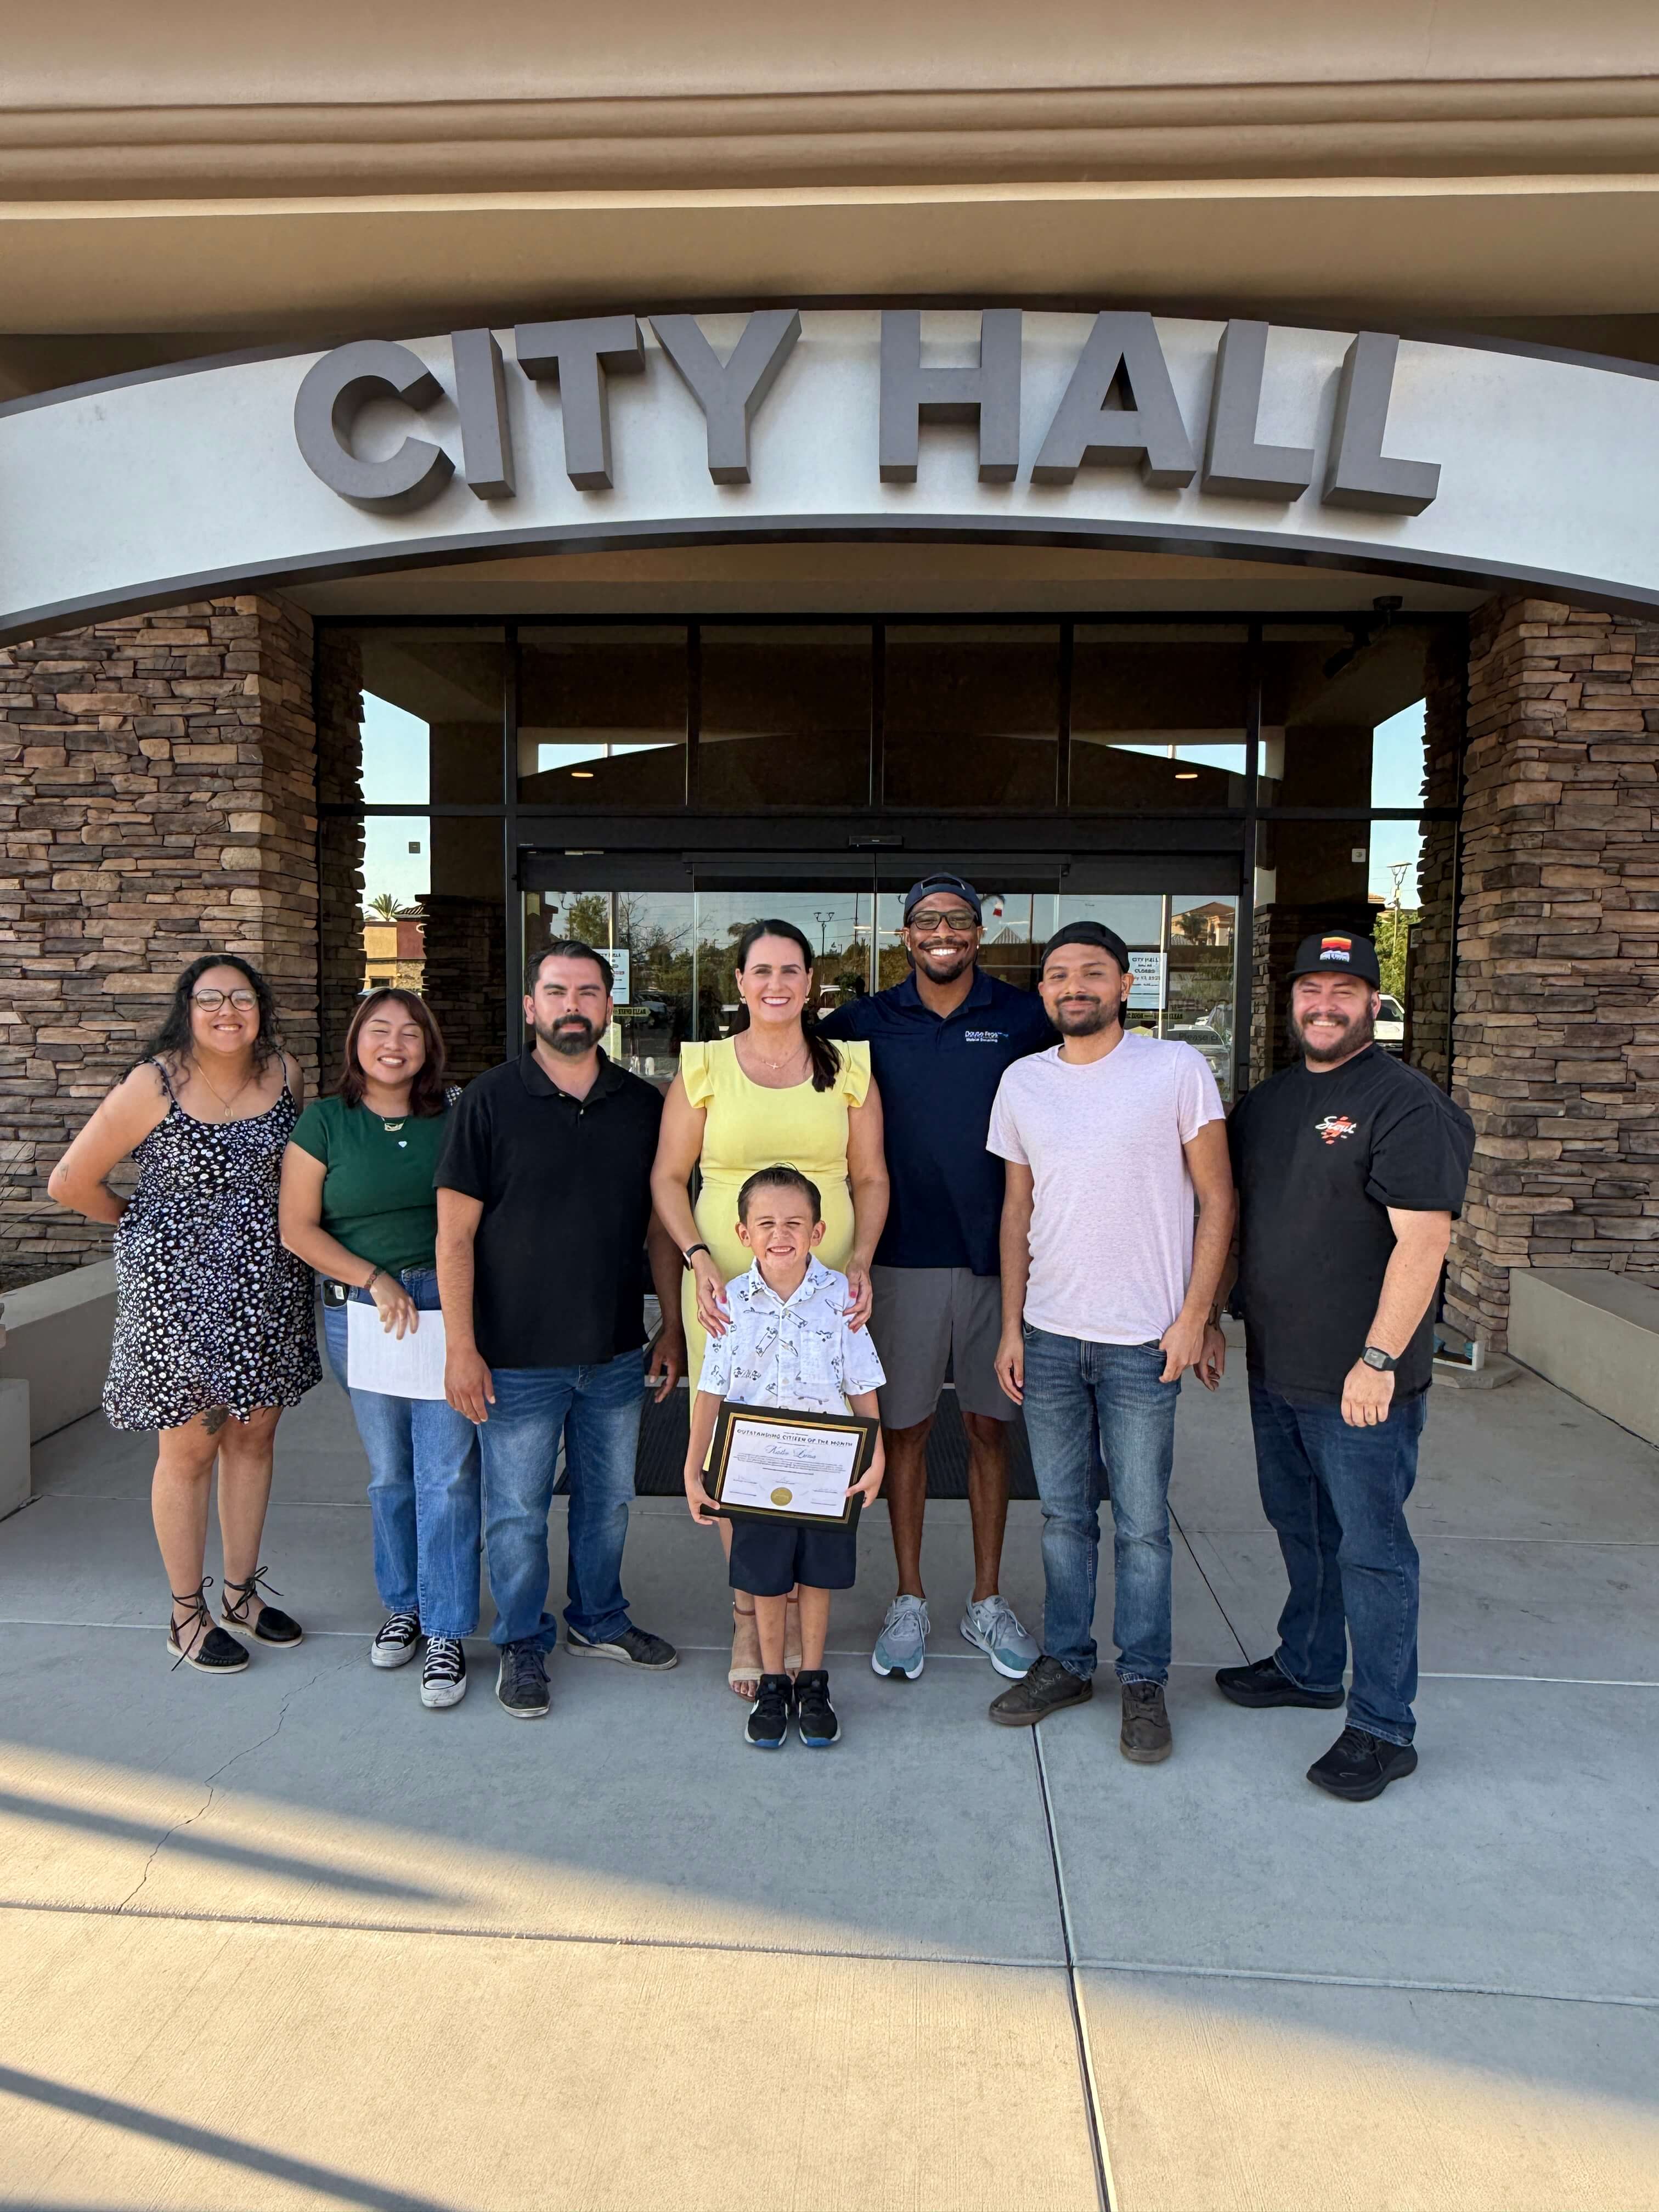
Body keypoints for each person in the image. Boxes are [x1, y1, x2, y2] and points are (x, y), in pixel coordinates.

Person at [1215, 932, 1474, 1801]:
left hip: (1362, 1382)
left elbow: (1424, 1240)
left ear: (1372, 1001)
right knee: (1302, 1529)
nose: (1325, 1006)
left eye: (1345, 992)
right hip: (1278, 1366)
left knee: (1372, 1551)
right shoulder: (1271, 1100)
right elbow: (1246, 1220)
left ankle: (1382, 1726)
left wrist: (1379, 1359)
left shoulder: (1406, 1103)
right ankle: (1311, 1665)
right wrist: (1217, 1318)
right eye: (1311, 991)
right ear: (1291, 998)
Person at [984, 921, 1234, 1760]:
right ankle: (1066, 1661)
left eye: (1093, 973)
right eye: (1058, 976)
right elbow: (1017, 1209)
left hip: (1142, 1344)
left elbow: (1219, 1201)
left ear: (1127, 984)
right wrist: (1012, 1327)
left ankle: (1143, 1680)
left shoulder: (1176, 1069)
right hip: (1051, 1337)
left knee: (1142, 1526)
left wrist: (1197, 1316)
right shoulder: (1022, 1081)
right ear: (1043, 992)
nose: (1073, 987)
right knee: (1062, 1519)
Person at [48, 954, 318, 1673]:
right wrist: (143, 1226)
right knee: (191, 1451)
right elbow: (71, 1180)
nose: (227, 1011)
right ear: (187, 1010)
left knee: (254, 1442)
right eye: (210, 999)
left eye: (241, 997)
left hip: (268, 1291)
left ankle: (240, 1595)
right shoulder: (154, 1082)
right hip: (179, 1301)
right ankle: (185, 1614)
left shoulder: (287, 1075)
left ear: (260, 1007)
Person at [436, 941, 685, 1719]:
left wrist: (671, 1325)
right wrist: (461, 1348)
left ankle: (599, 1618)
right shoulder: (487, 1101)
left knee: (608, 1501)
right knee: (516, 1512)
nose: (572, 1003)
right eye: (556, 990)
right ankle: (521, 1639)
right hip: (513, 1357)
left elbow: (659, 1233)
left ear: (609, 1006)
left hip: (612, 1349)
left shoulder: (645, 1107)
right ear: (533, 1005)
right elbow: (454, 1237)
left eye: (587, 990)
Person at [820, 872, 1052, 1683]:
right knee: (906, 1432)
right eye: (926, 922)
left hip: (1001, 1265)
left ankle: (986, 1600)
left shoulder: (1025, 1017)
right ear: (906, 936)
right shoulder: (860, 1023)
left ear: (979, 932)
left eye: (956, 920)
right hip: (900, 1262)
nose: (942, 933)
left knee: (991, 1433)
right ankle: (910, 1598)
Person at [650, 917, 888, 1698]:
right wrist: (697, 1259)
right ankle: (751, 1617)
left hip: (825, 1293)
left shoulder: (848, 1066)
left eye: (792, 970)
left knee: (813, 1440)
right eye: (762, 971)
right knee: (729, 1444)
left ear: (810, 983)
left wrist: (857, 1260)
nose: (777, 984)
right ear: (741, 982)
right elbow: (667, 1177)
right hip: (725, 1291)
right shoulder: (706, 1066)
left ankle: (796, 1614)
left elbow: (872, 1177)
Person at [279, 988, 479, 1710]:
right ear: (356, 1042)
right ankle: (405, 1606)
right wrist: (374, 1279)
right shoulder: (326, 1122)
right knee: (391, 1474)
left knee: (449, 1475)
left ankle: (449, 1628)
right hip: (365, 1314)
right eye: (379, 1030)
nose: (395, 1043)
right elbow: (298, 1229)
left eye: (411, 1033)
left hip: (449, 1306)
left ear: (429, 1048)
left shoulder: (454, 1118)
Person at [684, 1166, 887, 1749]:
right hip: (753, 1472)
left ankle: (813, 1681)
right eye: (766, 1223)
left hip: (827, 1472)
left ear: (818, 1231)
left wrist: (876, 1456)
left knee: (817, 1578)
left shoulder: (842, 1299)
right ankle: (774, 1681)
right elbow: (712, 1389)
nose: (781, 1234)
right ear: (743, 1233)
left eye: (795, 1223)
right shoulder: (729, 1303)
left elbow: (864, 1383)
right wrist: (695, 1466)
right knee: (767, 1581)